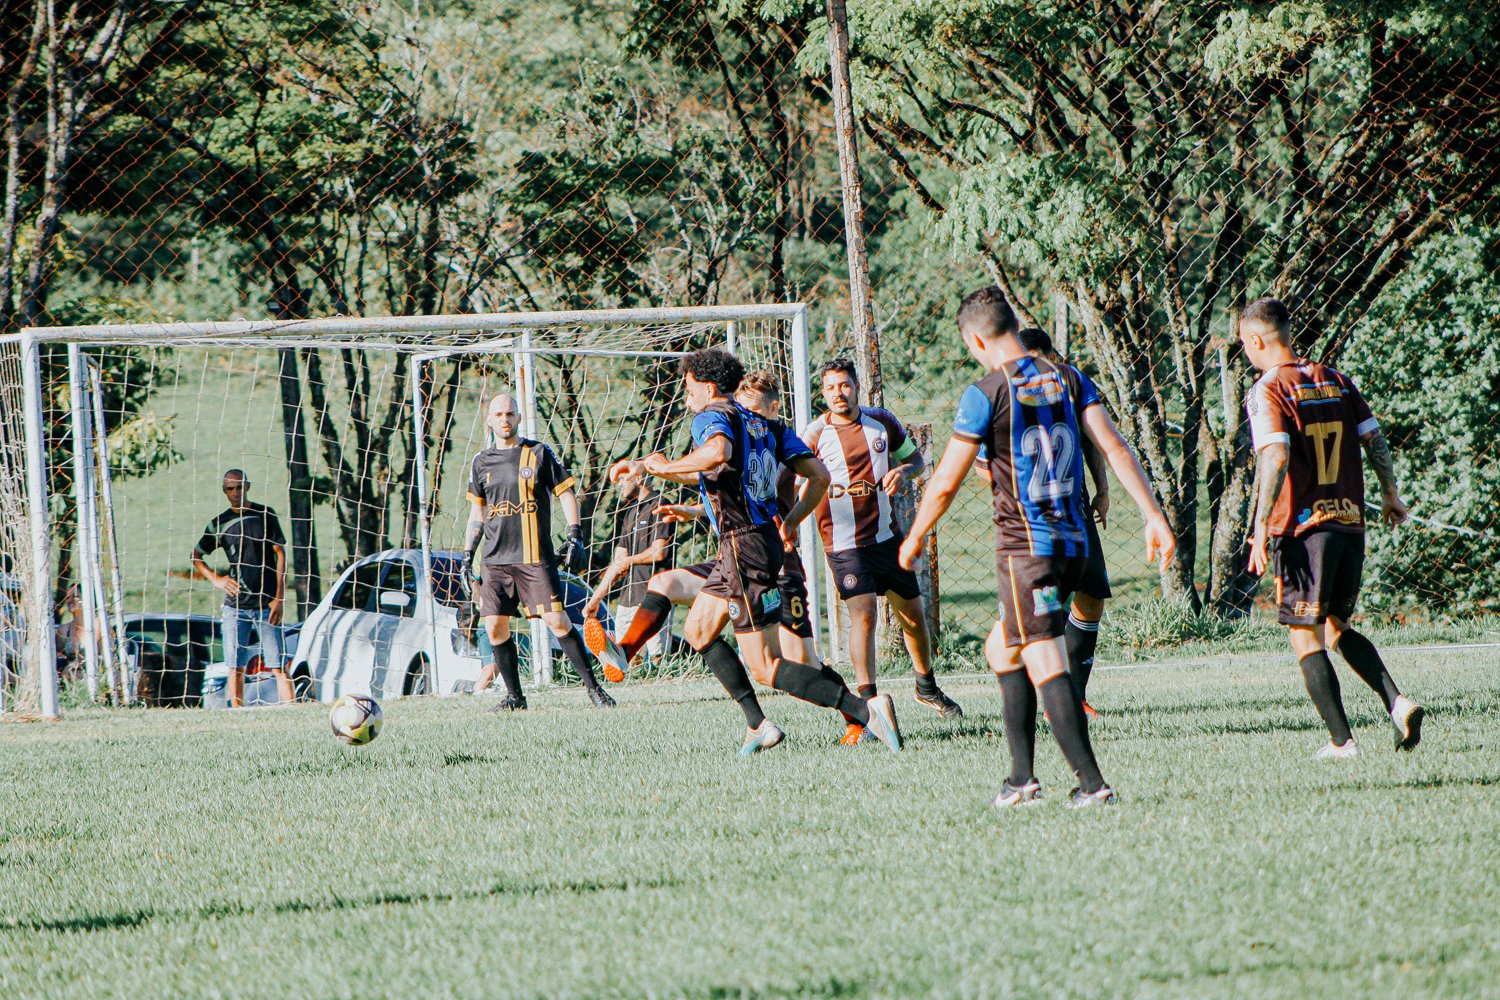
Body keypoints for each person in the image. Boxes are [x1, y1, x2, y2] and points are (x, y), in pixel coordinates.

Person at [899, 287, 1175, 808]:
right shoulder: (1069, 378)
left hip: (1028, 548)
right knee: (1001, 648)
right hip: (1075, 541)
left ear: (977, 338)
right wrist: (1153, 516)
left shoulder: (987, 391)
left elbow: (945, 482)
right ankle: (1021, 777)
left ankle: (1092, 784)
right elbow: (1113, 446)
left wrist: (914, 537)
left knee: (1044, 654)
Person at [631, 349, 902, 754]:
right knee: (697, 630)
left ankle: (864, 711)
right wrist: (793, 519)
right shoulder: (764, 424)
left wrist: (662, 467)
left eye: (687, 388)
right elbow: (820, 475)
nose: (685, 396)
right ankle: (757, 725)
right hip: (757, 544)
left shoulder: (711, 417)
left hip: (743, 548)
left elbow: (718, 453)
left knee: (767, 667)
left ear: (706, 387)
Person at [1240, 297, 1423, 757]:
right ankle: (1397, 702)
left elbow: (1276, 455)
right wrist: (1390, 493)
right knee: (1337, 627)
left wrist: (1261, 526)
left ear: (1256, 340)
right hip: (1349, 523)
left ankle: (1341, 742)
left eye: (1244, 343)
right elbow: (1374, 438)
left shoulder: (1267, 389)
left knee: (1305, 632)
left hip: (1303, 529)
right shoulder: (1335, 379)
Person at [803, 358, 962, 738]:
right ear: (822, 393)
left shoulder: (882, 422)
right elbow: (793, 475)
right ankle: (868, 706)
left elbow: (917, 460)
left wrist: (902, 471)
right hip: (843, 544)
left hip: (887, 538)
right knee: (865, 616)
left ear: (856, 387)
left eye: (844, 385)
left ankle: (926, 687)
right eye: (830, 388)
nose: (838, 393)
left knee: (913, 614)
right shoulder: (813, 435)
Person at [464, 393, 614, 711]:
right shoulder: (481, 462)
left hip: (534, 558)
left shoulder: (538, 453)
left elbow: (566, 493)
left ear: (518, 418)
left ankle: (594, 690)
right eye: (498, 414)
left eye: (510, 413)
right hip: (495, 561)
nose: (504, 419)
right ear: (489, 420)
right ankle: (515, 697)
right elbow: (477, 514)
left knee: (557, 621)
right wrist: (468, 554)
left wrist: (575, 535)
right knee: (494, 626)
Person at [1015, 328, 1111, 717]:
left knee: (1091, 598)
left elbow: (1094, 440)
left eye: (1047, 359)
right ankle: (1036, 700)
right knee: (1043, 608)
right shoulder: (1007, 393)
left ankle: (1075, 694)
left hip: (1076, 512)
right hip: (1033, 520)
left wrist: (1102, 490)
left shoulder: (1070, 385)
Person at [191, 469, 294, 706]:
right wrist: (216, 578)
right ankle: (237, 710)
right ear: (224, 491)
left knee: (278, 665)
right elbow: (196, 556)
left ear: (247, 486)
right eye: (230, 488)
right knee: (236, 666)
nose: (235, 492)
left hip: (267, 604)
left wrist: (279, 598)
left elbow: (280, 554)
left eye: (239, 487)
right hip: (235, 607)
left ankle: (292, 709)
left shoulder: (265, 514)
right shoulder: (220, 523)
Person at [580, 460, 677, 675]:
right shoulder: (630, 513)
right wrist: (595, 599)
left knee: (658, 657)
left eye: (623, 479)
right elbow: (618, 563)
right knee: (626, 658)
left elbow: (659, 552)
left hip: (655, 595)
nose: (619, 485)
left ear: (639, 477)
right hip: (628, 597)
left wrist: (629, 561)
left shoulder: (661, 505)